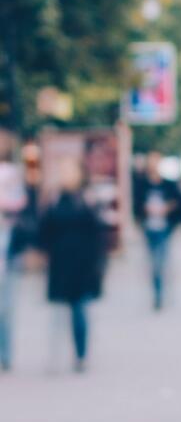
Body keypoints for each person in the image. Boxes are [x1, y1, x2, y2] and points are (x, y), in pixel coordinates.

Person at [38, 159, 107, 372]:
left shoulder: (87, 199)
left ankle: (80, 354)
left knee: (79, 309)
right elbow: (45, 229)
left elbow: (97, 232)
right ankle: (56, 356)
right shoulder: (54, 199)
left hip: (82, 262)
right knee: (59, 310)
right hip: (60, 262)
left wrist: (98, 262)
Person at [132, 152, 181, 311]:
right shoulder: (142, 184)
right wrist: (144, 211)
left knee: (160, 263)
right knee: (153, 263)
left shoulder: (168, 184)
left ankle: (161, 292)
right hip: (149, 228)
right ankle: (158, 292)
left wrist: (167, 208)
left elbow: (179, 202)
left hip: (164, 229)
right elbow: (136, 204)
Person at [0, 137, 26, 371]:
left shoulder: (11, 173)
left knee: (5, 307)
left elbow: (20, 202)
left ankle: (5, 353)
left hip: (6, 247)